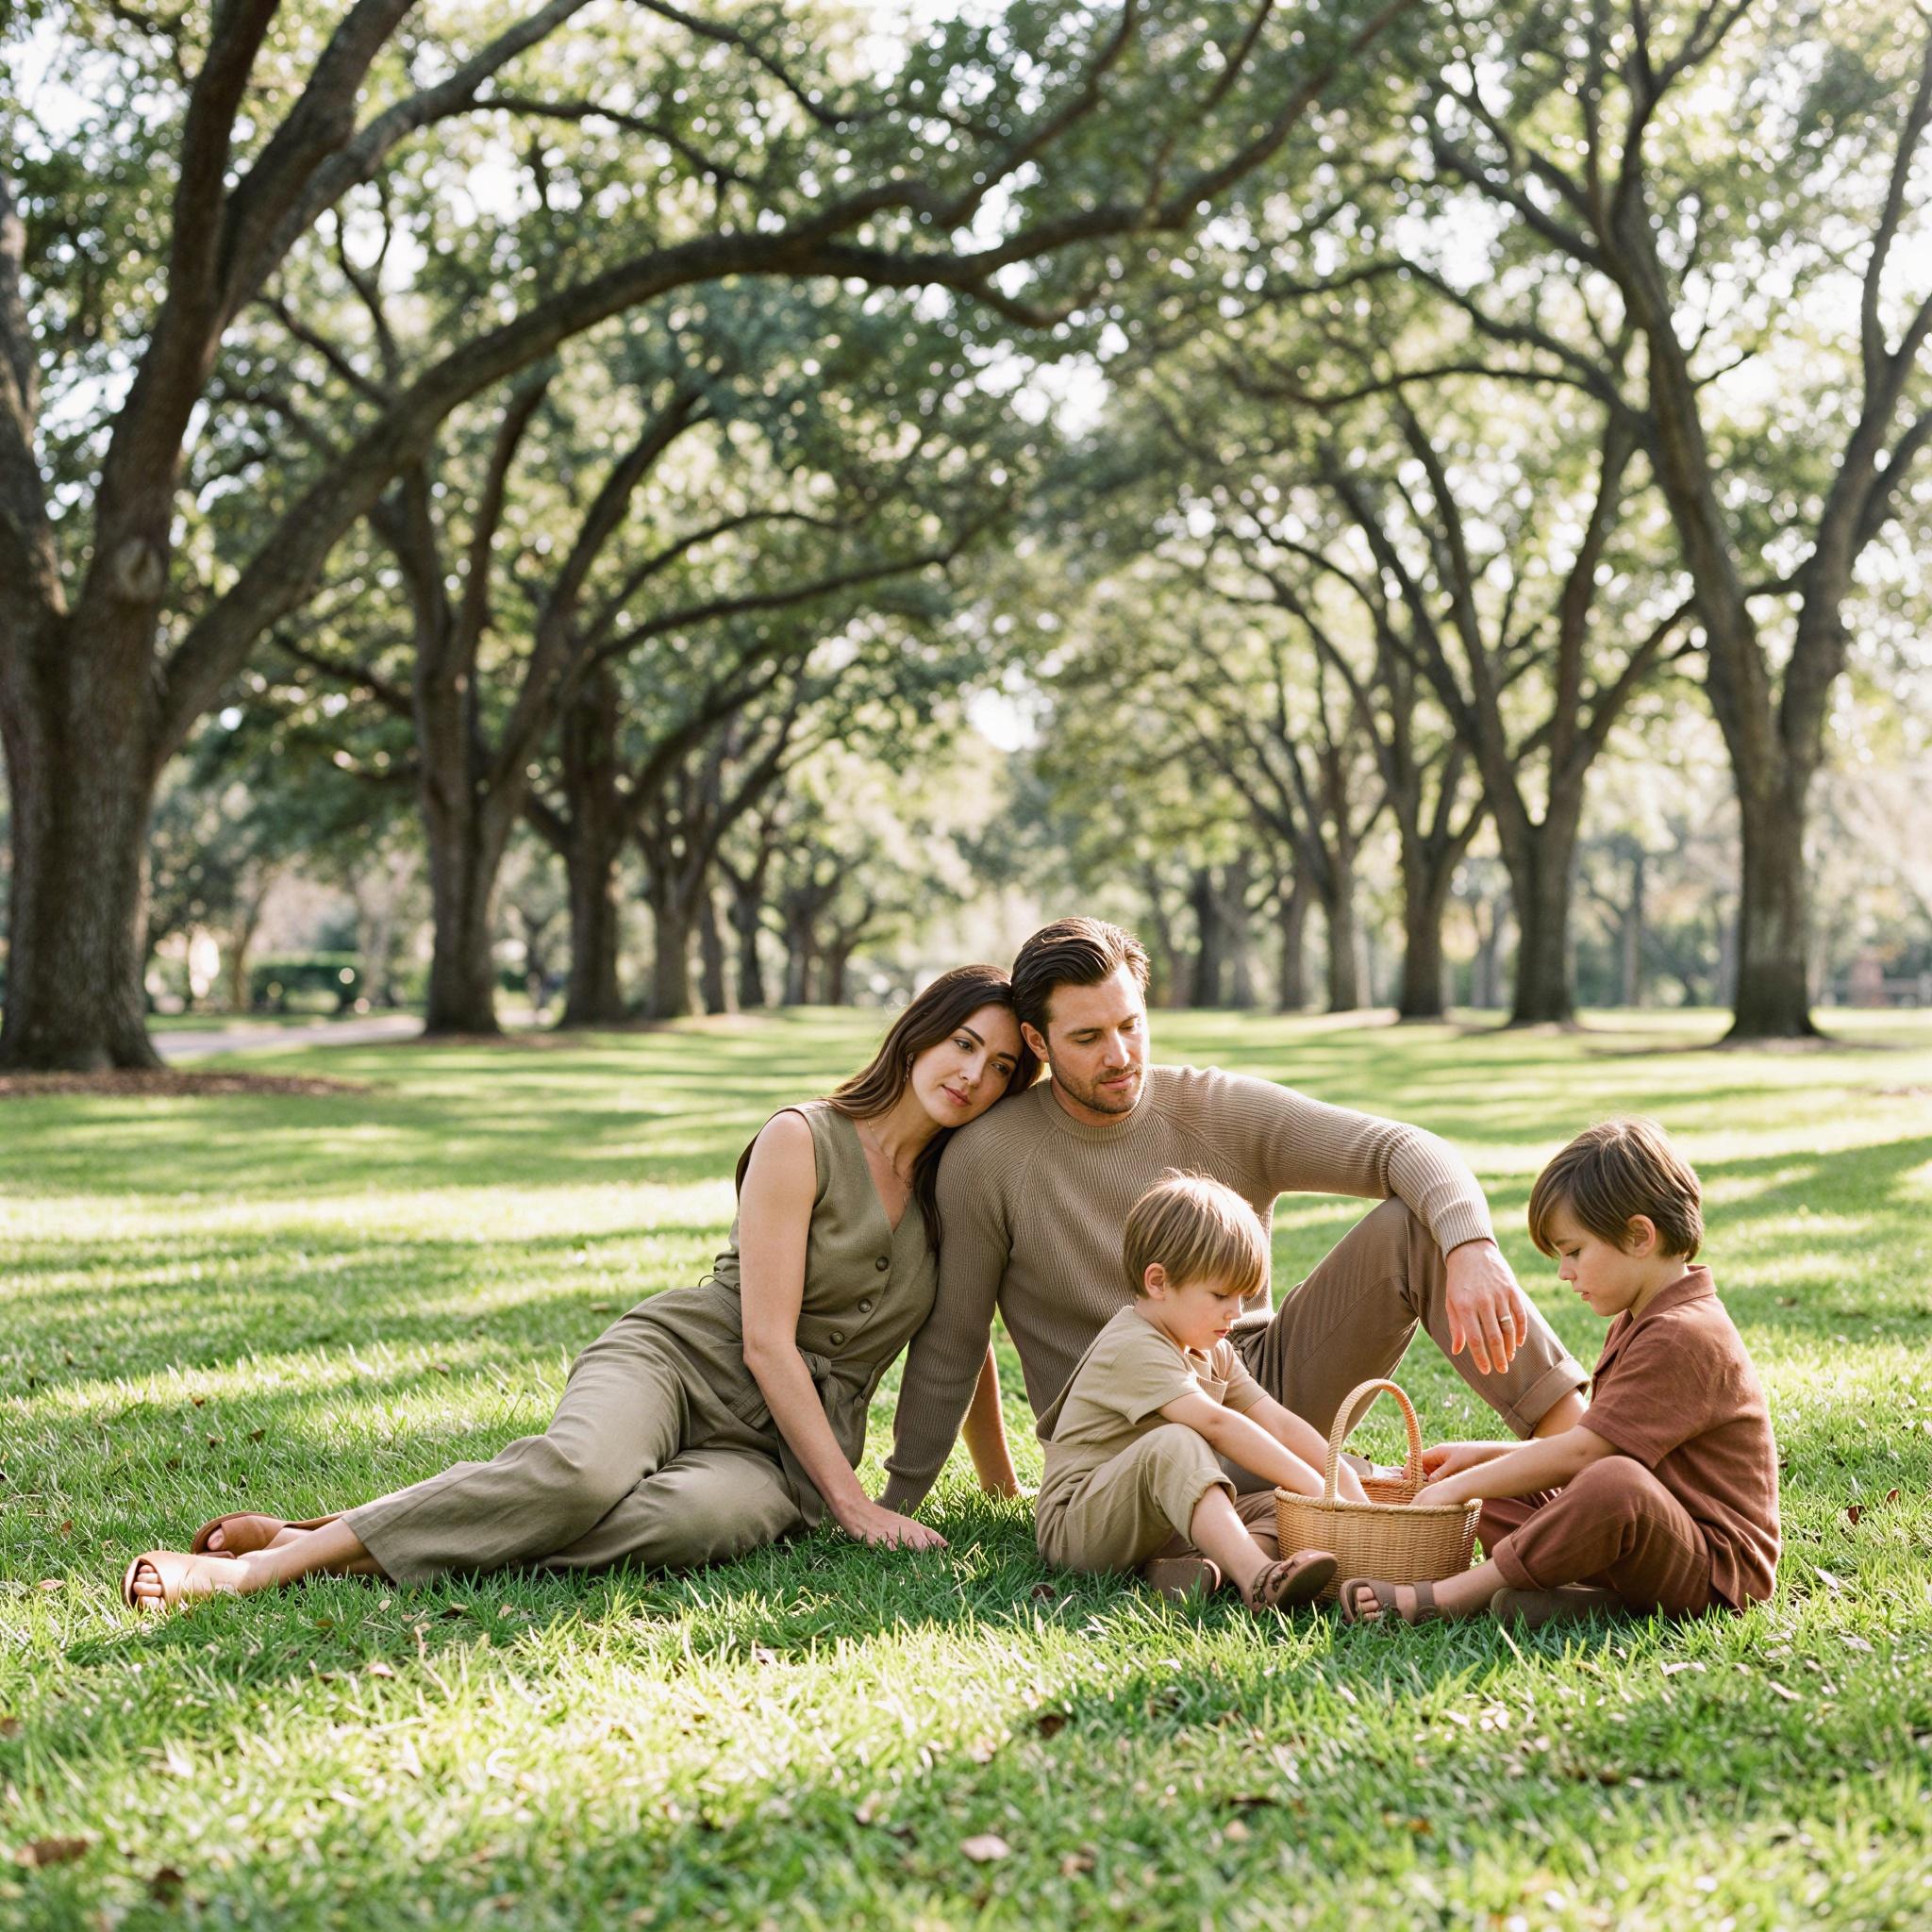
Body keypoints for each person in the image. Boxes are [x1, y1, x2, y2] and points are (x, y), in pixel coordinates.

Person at [120, 965, 1039, 1612]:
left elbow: (960, 1343)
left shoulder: (953, 1189)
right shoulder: (803, 1137)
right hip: (682, 1361)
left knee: (682, 1521)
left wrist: (997, 1487)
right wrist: (853, 1502)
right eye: (963, 1043)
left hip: (779, 1458)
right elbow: (763, 1338)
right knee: (580, 1472)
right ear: (918, 1030)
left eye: (1001, 1066)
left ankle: (323, 1537)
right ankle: (258, 1574)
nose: (973, 1074)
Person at [881, 918, 1590, 1516]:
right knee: (1192, 1481)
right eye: (1088, 1038)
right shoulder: (987, 1157)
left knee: (1418, 1228)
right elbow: (952, 1340)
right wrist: (898, 1503)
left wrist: (1472, 1246)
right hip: (1131, 1433)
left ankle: (1586, 1451)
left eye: (1131, 1025)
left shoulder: (1214, 1108)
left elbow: (1402, 1146)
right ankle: (1259, 1526)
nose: (1120, 1055)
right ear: (1037, 1043)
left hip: (1262, 1388)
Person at [1338, 1118, 1779, 1627]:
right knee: (1506, 1483)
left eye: (1574, 1252)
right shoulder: (1639, 1320)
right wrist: (1479, 1462)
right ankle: (1590, 1599)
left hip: (1714, 1573)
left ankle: (1453, 1596)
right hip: (1650, 1540)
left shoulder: (1684, 1332)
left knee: (1614, 1484)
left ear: (1639, 1236)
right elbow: (1592, 1442)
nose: (1564, 1273)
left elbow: (1592, 1454)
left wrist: (1456, 1488)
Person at [1035, 1174, 1352, 1611]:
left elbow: (1275, 1420)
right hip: (1080, 1526)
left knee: (1286, 1506)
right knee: (1176, 1441)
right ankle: (1257, 1578)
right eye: (1221, 1293)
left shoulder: (1212, 1349)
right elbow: (1217, 1425)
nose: (1237, 1311)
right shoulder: (1133, 1344)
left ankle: (1193, 1569)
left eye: (1244, 1295)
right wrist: (1319, 1488)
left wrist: (1342, 1485)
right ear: (1158, 1282)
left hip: (1162, 1522)